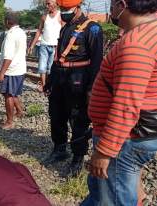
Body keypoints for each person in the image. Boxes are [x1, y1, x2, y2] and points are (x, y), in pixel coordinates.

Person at [82, 0, 157, 205]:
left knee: (112, 200)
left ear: (122, 4)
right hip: (132, 134)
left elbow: (126, 104)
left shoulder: (137, 44)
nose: (111, 11)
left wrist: (105, 151)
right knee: (99, 195)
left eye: (112, 5)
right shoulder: (151, 34)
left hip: (124, 140)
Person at [44, 0, 104, 176]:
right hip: (60, 80)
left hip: (79, 81)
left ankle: (78, 157)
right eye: (61, 9)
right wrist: (50, 81)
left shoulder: (93, 29)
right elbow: (59, 59)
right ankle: (59, 148)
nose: (63, 12)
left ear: (78, 8)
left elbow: (97, 62)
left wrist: (92, 89)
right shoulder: (66, 28)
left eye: (67, 9)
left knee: (78, 121)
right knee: (56, 115)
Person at [0, 12, 27, 129]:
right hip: (20, 69)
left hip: (11, 70)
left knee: (8, 95)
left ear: (7, 22)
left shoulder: (10, 35)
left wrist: (2, 73)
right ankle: (19, 111)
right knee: (13, 93)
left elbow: (8, 57)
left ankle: (9, 122)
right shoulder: (21, 32)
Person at [29, 0, 62, 92]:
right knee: (42, 67)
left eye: (49, 3)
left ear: (55, 3)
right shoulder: (44, 16)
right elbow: (39, 31)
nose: (47, 6)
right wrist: (32, 45)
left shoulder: (61, 16)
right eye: (46, 4)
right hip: (44, 44)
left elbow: (64, 31)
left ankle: (50, 84)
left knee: (51, 67)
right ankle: (44, 85)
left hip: (55, 46)